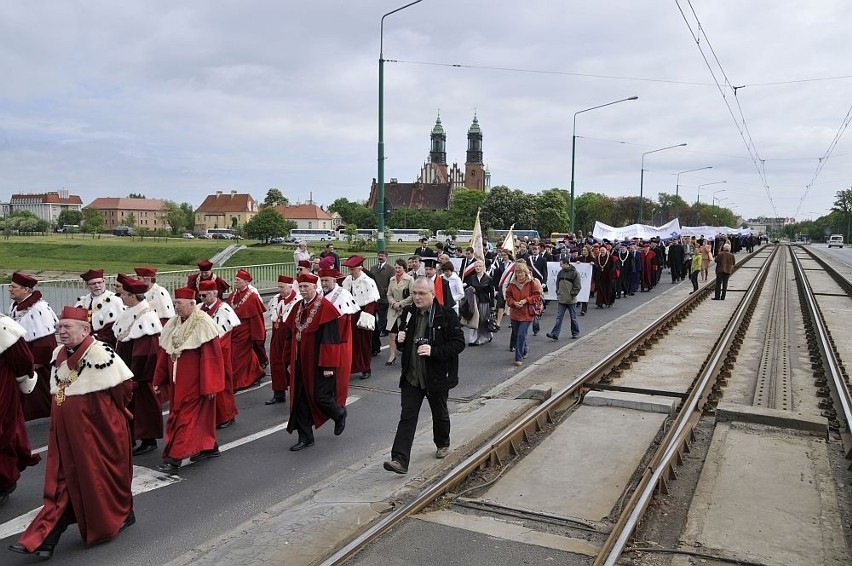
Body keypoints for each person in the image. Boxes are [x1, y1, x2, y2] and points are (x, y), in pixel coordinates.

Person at [10, 306, 134, 559]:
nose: (61, 331)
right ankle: (44, 539)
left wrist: (105, 419)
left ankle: (46, 538)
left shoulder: (101, 353)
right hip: (66, 433)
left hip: (98, 432)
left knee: (92, 480)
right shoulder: (60, 354)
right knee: (63, 483)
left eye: (67, 327)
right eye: (60, 326)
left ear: (85, 330)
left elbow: (123, 390)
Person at [383, 277, 465, 474]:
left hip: (436, 376)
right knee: (407, 417)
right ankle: (399, 460)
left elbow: (458, 343)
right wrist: (401, 341)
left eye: (421, 293)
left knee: (440, 412)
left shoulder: (445, 315)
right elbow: (405, 342)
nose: (417, 297)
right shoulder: (410, 313)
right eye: (414, 293)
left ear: (432, 294)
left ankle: (442, 442)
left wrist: (434, 350)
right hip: (412, 376)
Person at [152, 287, 225, 474]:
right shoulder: (174, 323)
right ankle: (210, 447)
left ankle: (173, 459)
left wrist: (210, 386)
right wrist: (159, 379)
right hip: (178, 384)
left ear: (192, 304)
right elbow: (165, 354)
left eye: (180, 304)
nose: (176, 307)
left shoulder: (204, 323)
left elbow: (212, 358)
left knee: (185, 420)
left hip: (196, 384)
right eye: (175, 303)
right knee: (193, 419)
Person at [282, 273, 349, 451]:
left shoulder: (326, 307)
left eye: (306, 287)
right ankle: (305, 437)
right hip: (300, 362)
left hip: (319, 363)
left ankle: (339, 413)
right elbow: (290, 335)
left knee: (321, 397)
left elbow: (330, 339)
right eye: (301, 287)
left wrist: (328, 366)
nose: (303, 290)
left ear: (315, 287)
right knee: (300, 399)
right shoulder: (297, 307)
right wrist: (288, 360)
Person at [113, 275, 164, 456]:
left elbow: (145, 352)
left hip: (140, 375)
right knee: (132, 407)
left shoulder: (146, 318)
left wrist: (134, 374)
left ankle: (148, 439)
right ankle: (132, 436)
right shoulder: (131, 311)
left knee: (144, 407)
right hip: (127, 369)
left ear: (133, 296)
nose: (122, 298)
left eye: (124, 295)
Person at [0, 314, 40, 507]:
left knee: (4, 435)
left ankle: (4, 482)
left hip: (2, 391)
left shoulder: (3, 327)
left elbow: (23, 360)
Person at [7, 272, 58, 421]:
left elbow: (46, 340)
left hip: (35, 361)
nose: (10, 289)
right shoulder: (16, 306)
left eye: (14, 287)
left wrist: (36, 361)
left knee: (38, 392)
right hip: (23, 357)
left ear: (26, 290)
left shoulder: (38, 308)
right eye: (10, 286)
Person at [198, 279, 241, 429]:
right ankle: (212, 416)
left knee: (222, 383)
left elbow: (224, 334)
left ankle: (227, 415)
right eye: (200, 296)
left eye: (204, 296)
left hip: (220, 352)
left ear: (214, 294)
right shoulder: (199, 309)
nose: (201, 299)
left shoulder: (224, 310)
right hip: (203, 352)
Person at [227, 269, 267, 390]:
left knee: (237, 356)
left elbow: (257, 319)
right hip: (233, 330)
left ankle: (238, 381)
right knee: (245, 355)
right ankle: (257, 372)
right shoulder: (233, 295)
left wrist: (257, 336)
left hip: (245, 332)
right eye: (235, 279)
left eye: (238, 280)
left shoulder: (252, 296)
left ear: (245, 282)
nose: (235, 282)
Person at [318, 266, 357, 389]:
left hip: (338, 340)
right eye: (322, 280)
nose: (324, 283)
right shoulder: (320, 293)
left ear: (334, 281)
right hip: (322, 339)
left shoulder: (343, 294)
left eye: (326, 280)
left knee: (338, 377)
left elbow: (343, 322)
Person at [342, 256, 380, 379]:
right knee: (350, 343)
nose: (351, 272)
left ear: (360, 268)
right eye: (350, 269)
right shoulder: (347, 280)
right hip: (350, 314)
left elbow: (372, 301)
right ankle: (350, 367)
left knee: (363, 343)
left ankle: (365, 368)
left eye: (353, 269)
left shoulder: (368, 281)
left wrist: (366, 317)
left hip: (362, 314)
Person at [267, 275, 298, 405]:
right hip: (276, 335)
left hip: (289, 337)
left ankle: (297, 395)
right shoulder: (276, 299)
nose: (279, 290)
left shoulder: (297, 300)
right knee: (275, 363)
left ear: (290, 287)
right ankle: (278, 393)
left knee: (291, 365)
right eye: (278, 287)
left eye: (282, 287)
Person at [74, 268, 124, 347]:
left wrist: (95, 339)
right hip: (85, 339)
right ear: (87, 285)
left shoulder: (114, 299)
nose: (97, 286)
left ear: (104, 282)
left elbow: (113, 327)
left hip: (106, 342)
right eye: (93, 284)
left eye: (99, 282)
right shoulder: (83, 301)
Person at [505, 263, 541, 366]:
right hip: (515, 313)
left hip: (527, 314)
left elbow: (537, 296)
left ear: (525, 273)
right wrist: (513, 303)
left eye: (521, 272)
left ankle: (518, 357)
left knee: (521, 334)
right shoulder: (512, 284)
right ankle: (524, 349)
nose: (519, 275)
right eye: (517, 273)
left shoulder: (531, 283)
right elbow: (508, 297)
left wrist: (526, 300)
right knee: (517, 335)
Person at [385, 259, 413, 365]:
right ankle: (392, 355)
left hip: (404, 309)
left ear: (404, 268)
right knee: (392, 333)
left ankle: (406, 355)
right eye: (396, 267)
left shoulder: (409, 279)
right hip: (393, 309)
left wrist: (400, 303)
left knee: (403, 334)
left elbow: (412, 295)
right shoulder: (392, 279)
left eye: (399, 268)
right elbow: (388, 294)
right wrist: (392, 303)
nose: (397, 270)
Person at [547, 257, 582, 340]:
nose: (560, 265)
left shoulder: (574, 273)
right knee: (559, 317)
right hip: (562, 299)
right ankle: (555, 334)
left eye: (561, 264)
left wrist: (572, 294)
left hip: (571, 300)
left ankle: (575, 332)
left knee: (573, 317)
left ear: (566, 263)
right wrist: (558, 291)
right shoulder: (560, 272)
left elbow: (578, 286)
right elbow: (557, 283)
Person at [462, 259, 494, 346]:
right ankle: (473, 339)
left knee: (483, 320)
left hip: (484, 302)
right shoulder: (472, 278)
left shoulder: (489, 279)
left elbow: (492, 292)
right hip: (474, 302)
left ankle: (484, 337)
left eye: (480, 266)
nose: (478, 268)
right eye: (476, 266)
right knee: (474, 320)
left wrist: (492, 306)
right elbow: (468, 290)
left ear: (483, 267)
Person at [369, 251, 394, 342]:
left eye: (382, 256)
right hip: (374, 295)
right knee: (376, 314)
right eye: (379, 256)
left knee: (382, 314)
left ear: (386, 257)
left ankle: (382, 329)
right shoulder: (373, 268)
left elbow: (391, 282)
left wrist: (385, 291)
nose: (380, 257)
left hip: (384, 296)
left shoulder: (391, 269)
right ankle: (379, 329)